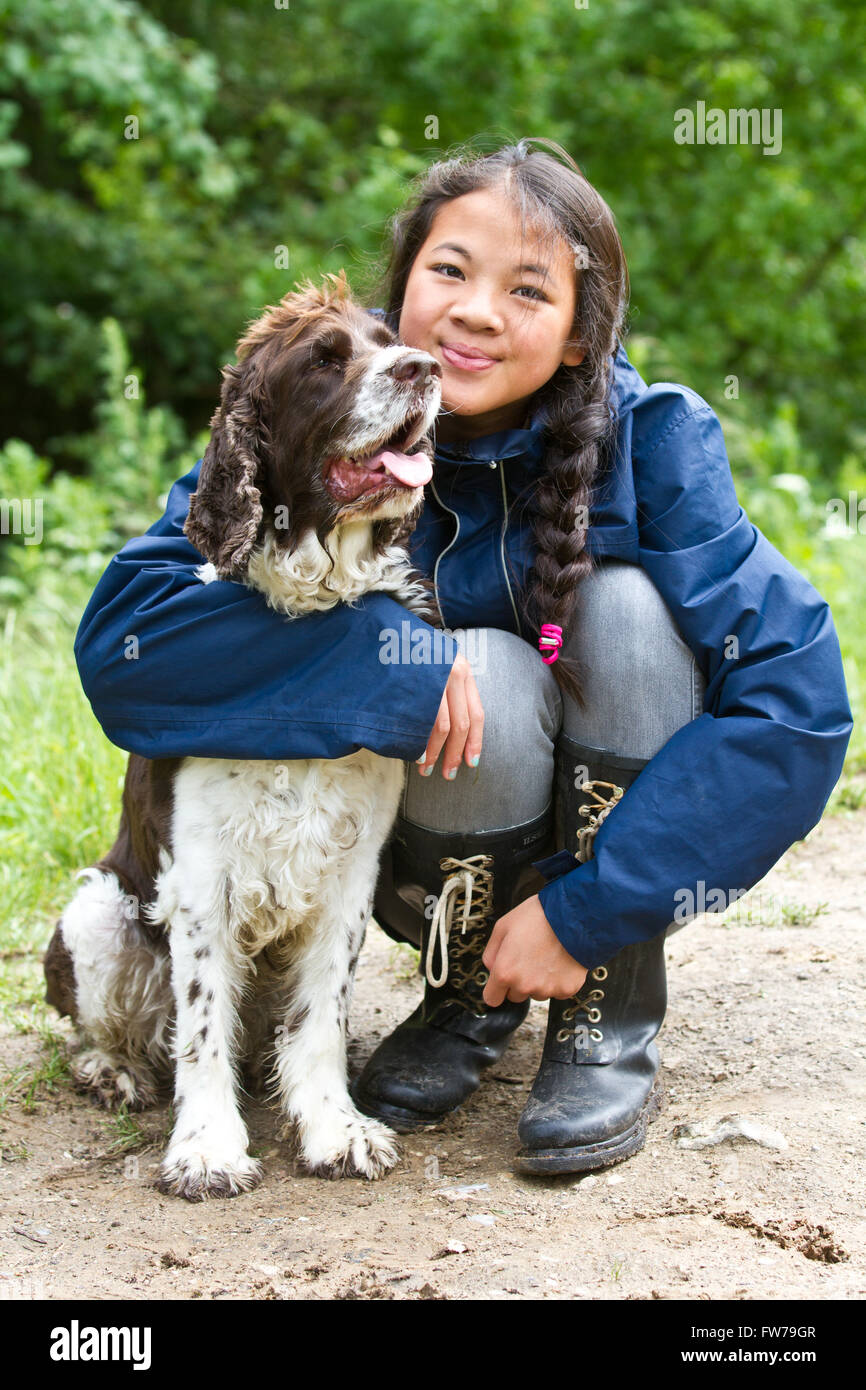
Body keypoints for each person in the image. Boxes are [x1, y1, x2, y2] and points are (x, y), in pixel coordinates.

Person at [73, 137, 852, 1175]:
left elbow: (794, 707)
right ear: (404, 289)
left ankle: (601, 1002)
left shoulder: (656, 442)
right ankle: (462, 995)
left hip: (596, 894)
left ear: (581, 337)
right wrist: (389, 653)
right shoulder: (327, 421)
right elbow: (132, 638)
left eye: (528, 290)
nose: (477, 311)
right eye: (448, 271)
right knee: (475, 663)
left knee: (619, 613)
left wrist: (581, 914)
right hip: (418, 869)